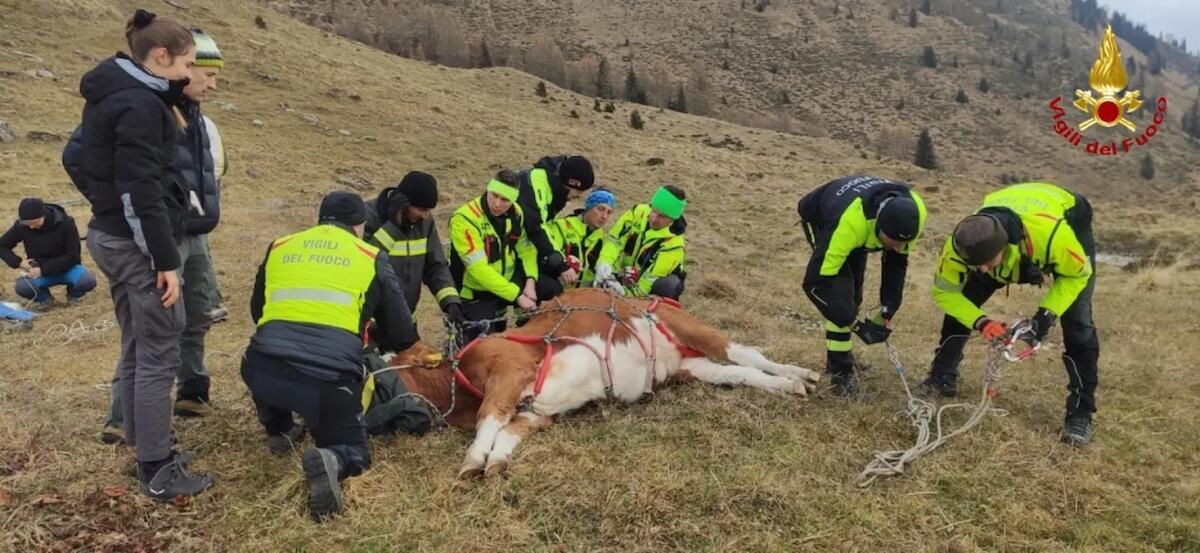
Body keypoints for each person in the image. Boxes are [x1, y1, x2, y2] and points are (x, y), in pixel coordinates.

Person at [77, 9, 212, 501]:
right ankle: (157, 467)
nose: (188, 75)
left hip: (107, 235)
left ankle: (141, 439)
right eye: (186, 64)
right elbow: (140, 191)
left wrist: (102, 203)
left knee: (137, 341)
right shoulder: (138, 105)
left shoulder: (113, 93)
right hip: (136, 247)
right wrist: (165, 262)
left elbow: (83, 161)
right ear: (160, 57)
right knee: (161, 348)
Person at [242, 191, 419, 520]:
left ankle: (279, 429)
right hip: (329, 379)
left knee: (268, 352)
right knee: (357, 452)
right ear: (359, 227)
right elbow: (402, 332)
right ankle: (335, 458)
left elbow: (258, 311)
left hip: (260, 367)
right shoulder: (370, 256)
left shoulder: (281, 246)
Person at [922, 182, 1098, 446]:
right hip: (1008, 216)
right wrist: (980, 322)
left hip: (1067, 215)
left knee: (1078, 324)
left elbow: (1077, 276)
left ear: (1004, 248)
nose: (980, 270)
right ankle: (942, 376)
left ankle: (1081, 412)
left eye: (986, 263)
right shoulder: (962, 243)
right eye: (974, 264)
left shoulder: (1053, 237)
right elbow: (947, 293)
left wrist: (1047, 315)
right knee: (962, 307)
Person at [795, 175, 927, 397]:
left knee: (854, 293)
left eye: (903, 243)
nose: (898, 248)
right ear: (877, 226)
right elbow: (816, 284)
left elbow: (896, 264)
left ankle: (843, 357)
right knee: (842, 296)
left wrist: (888, 308)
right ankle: (840, 372)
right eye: (892, 242)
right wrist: (853, 323)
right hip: (820, 215)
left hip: (857, 225)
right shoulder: (849, 226)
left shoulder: (915, 213)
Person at [365, 171, 465, 332]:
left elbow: (436, 266)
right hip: (370, 324)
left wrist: (450, 302)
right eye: (421, 209)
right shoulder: (367, 216)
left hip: (406, 322)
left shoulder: (425, 222)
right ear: (403, 202)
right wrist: (393, 227)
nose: (425, 216)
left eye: (428, 210)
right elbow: (364, 262)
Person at [448, 170, 539, 341]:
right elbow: (478, 269)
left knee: (498, 340)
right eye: (494, 195)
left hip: (501, 293)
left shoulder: (516, 213)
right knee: (475, 350)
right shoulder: (465, 219)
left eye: (505, 200)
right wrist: (517, 296)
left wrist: (530, 280)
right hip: (474, 297)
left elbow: (526, 249)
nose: (497, 204)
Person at [516, 155, 595, 299]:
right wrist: (561, 264)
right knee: (552, 290)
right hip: (511, 252)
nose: (578, 196)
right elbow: (536, 228)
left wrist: (562, 260)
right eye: (579, 191)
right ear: (572, 183)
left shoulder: (553, 189)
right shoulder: (537, 184)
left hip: (523, 250)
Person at [594, 185, 688, 300]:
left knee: (668, 285)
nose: (653, 218)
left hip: (646, 285)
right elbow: (615, 240)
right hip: (622, 271)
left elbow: (647, 283)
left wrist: (624, 293)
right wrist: (604, 262)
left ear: (673, 219)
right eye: (653, 211)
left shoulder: (674, 246)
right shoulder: (637, 212)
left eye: (661, 216)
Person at [1, 198, 97, 307]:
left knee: (87, 280)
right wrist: (18, 262)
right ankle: (45, 299)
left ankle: (74, 295)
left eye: (35, 223)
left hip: (67, 268)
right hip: (38, 271)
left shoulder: (66, 223)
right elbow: (2, 246)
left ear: (44, 216)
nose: (31, 227)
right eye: (28, 224)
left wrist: (44, 270)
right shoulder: (22, 226)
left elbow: (73, 256)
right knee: (23, 287)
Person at [534, 188, 616, 299]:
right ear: (589, 206)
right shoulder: (561, 226)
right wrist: (563, 264)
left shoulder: (603, 240)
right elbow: (545, 255)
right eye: (600, 209)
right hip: (553, 296)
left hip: (579, 301)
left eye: (609, 212)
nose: (604, 216)